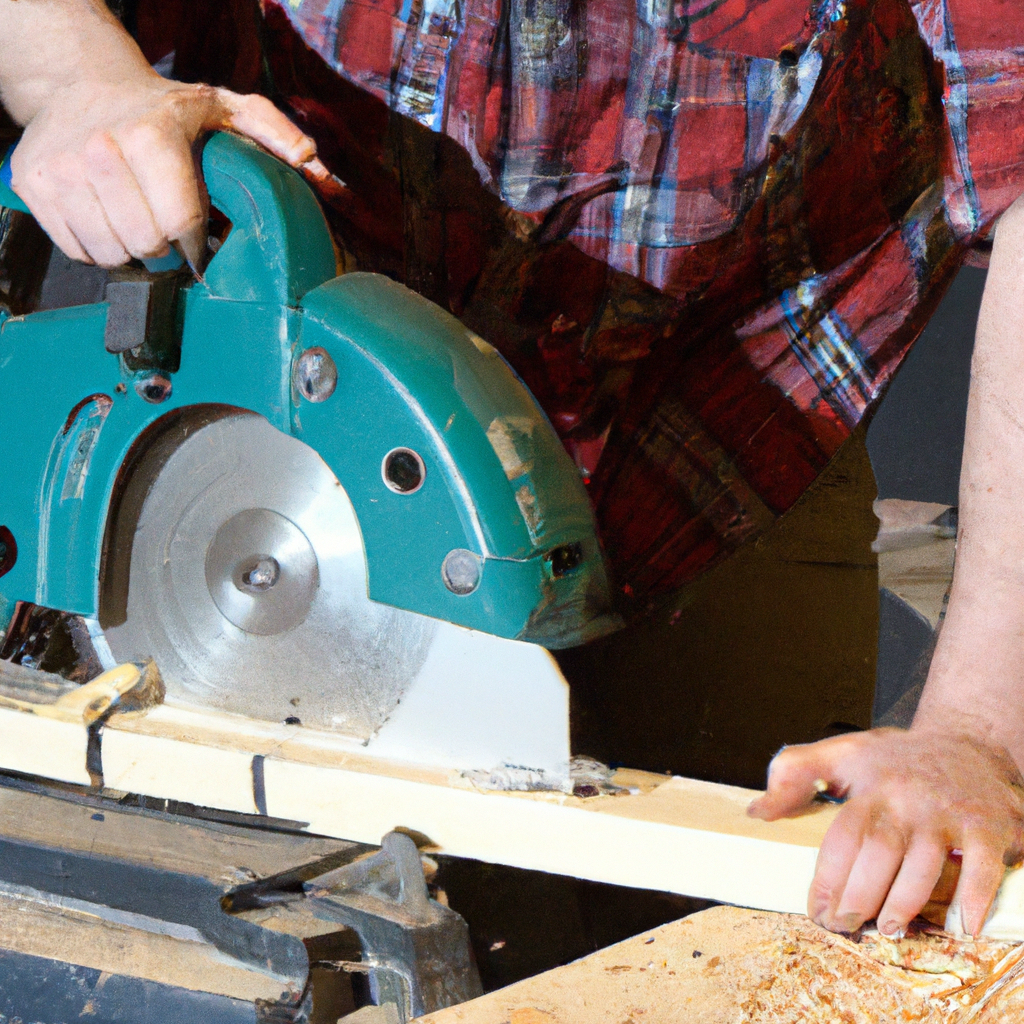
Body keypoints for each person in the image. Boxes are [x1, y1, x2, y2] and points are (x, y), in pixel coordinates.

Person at [3, 0, 1024, 944]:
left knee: (762, 928)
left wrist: (978, 731)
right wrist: (73, 76)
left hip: (726, 420)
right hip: (272, 426)